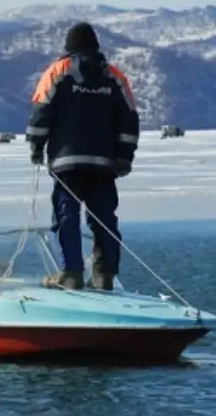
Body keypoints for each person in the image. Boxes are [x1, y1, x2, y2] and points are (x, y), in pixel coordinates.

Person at [26, 22, 140, 291]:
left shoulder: (56, 73)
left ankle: (71, 273)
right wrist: (125, 157)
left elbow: (41, 113)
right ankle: (104, 275)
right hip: (104, 165)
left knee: (66, 216)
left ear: (68, 47)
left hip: (67, 164)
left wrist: (36, 147)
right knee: (104, 218)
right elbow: (129, 119)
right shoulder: (115, 77)